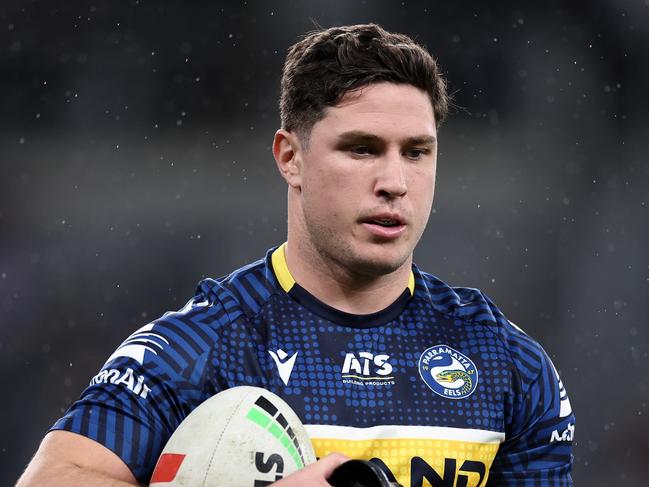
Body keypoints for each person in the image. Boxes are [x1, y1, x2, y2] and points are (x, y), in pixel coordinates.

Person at [16, 24, 575, 487]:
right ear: (291, 157)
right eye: (361, 149)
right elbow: (53, 478)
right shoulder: (201, 346)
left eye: (417, 152)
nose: (394, 182)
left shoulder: (511, 365)